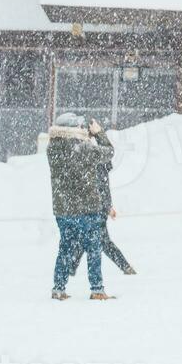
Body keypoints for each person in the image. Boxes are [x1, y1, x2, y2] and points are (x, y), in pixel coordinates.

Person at [47, 113, 116, 301]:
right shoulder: (84, 148)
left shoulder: (51, 149)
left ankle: (58, 288)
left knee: (65, 248)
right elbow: (109, 152)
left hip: (63, 210)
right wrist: (99, 133)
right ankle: (97, 289)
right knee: (93, 249)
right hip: (87, 209)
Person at [68, 118, 136, 279]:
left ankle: (69, 267)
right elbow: (108, 152)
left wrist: (108, 206)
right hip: (94, 206)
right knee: (99, 240)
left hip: (92, 205)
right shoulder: (91, 154)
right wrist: (99, 134)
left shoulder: (84, 154)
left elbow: (103, 182)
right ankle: (125, 266)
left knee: (85, 238)